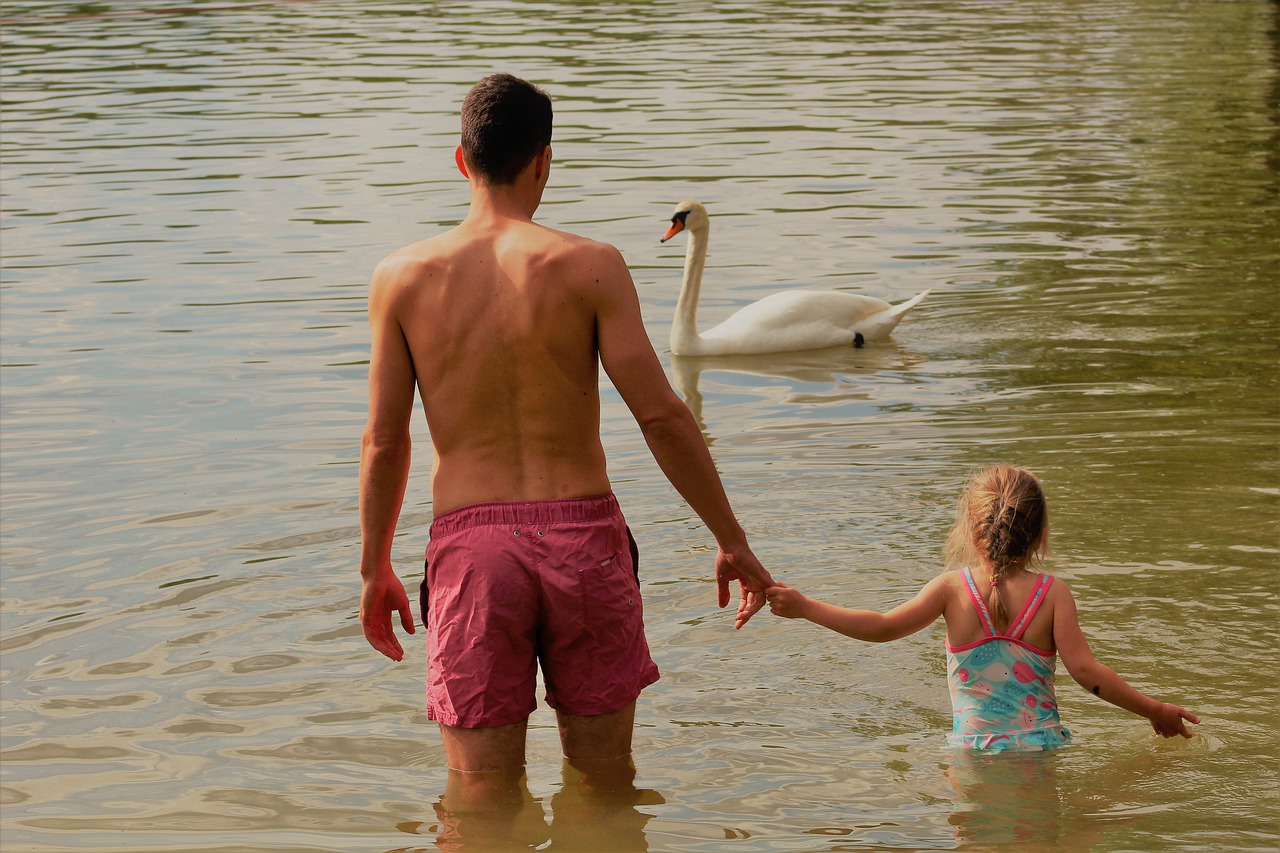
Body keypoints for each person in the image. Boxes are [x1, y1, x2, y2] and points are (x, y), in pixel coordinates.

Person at [357, 73, 774, 792]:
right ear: (544, 160)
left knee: (480, 804)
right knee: (608, 787)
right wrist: (731, 539)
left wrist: (374, 567)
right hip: (584, 545)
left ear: (462, 160)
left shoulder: (401, 278)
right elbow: (662, 416)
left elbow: (385, 441)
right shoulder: (592, 267)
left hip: (474, 552)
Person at [764, 464, 1198, 751]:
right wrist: (1154, 709)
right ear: (1041, 535)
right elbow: (1087, 674)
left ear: (971, 531)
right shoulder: (1053, 594)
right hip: (1040, 748)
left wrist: (806, 607)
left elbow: (881, 628)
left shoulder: (950, 589)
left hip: (974, 753)